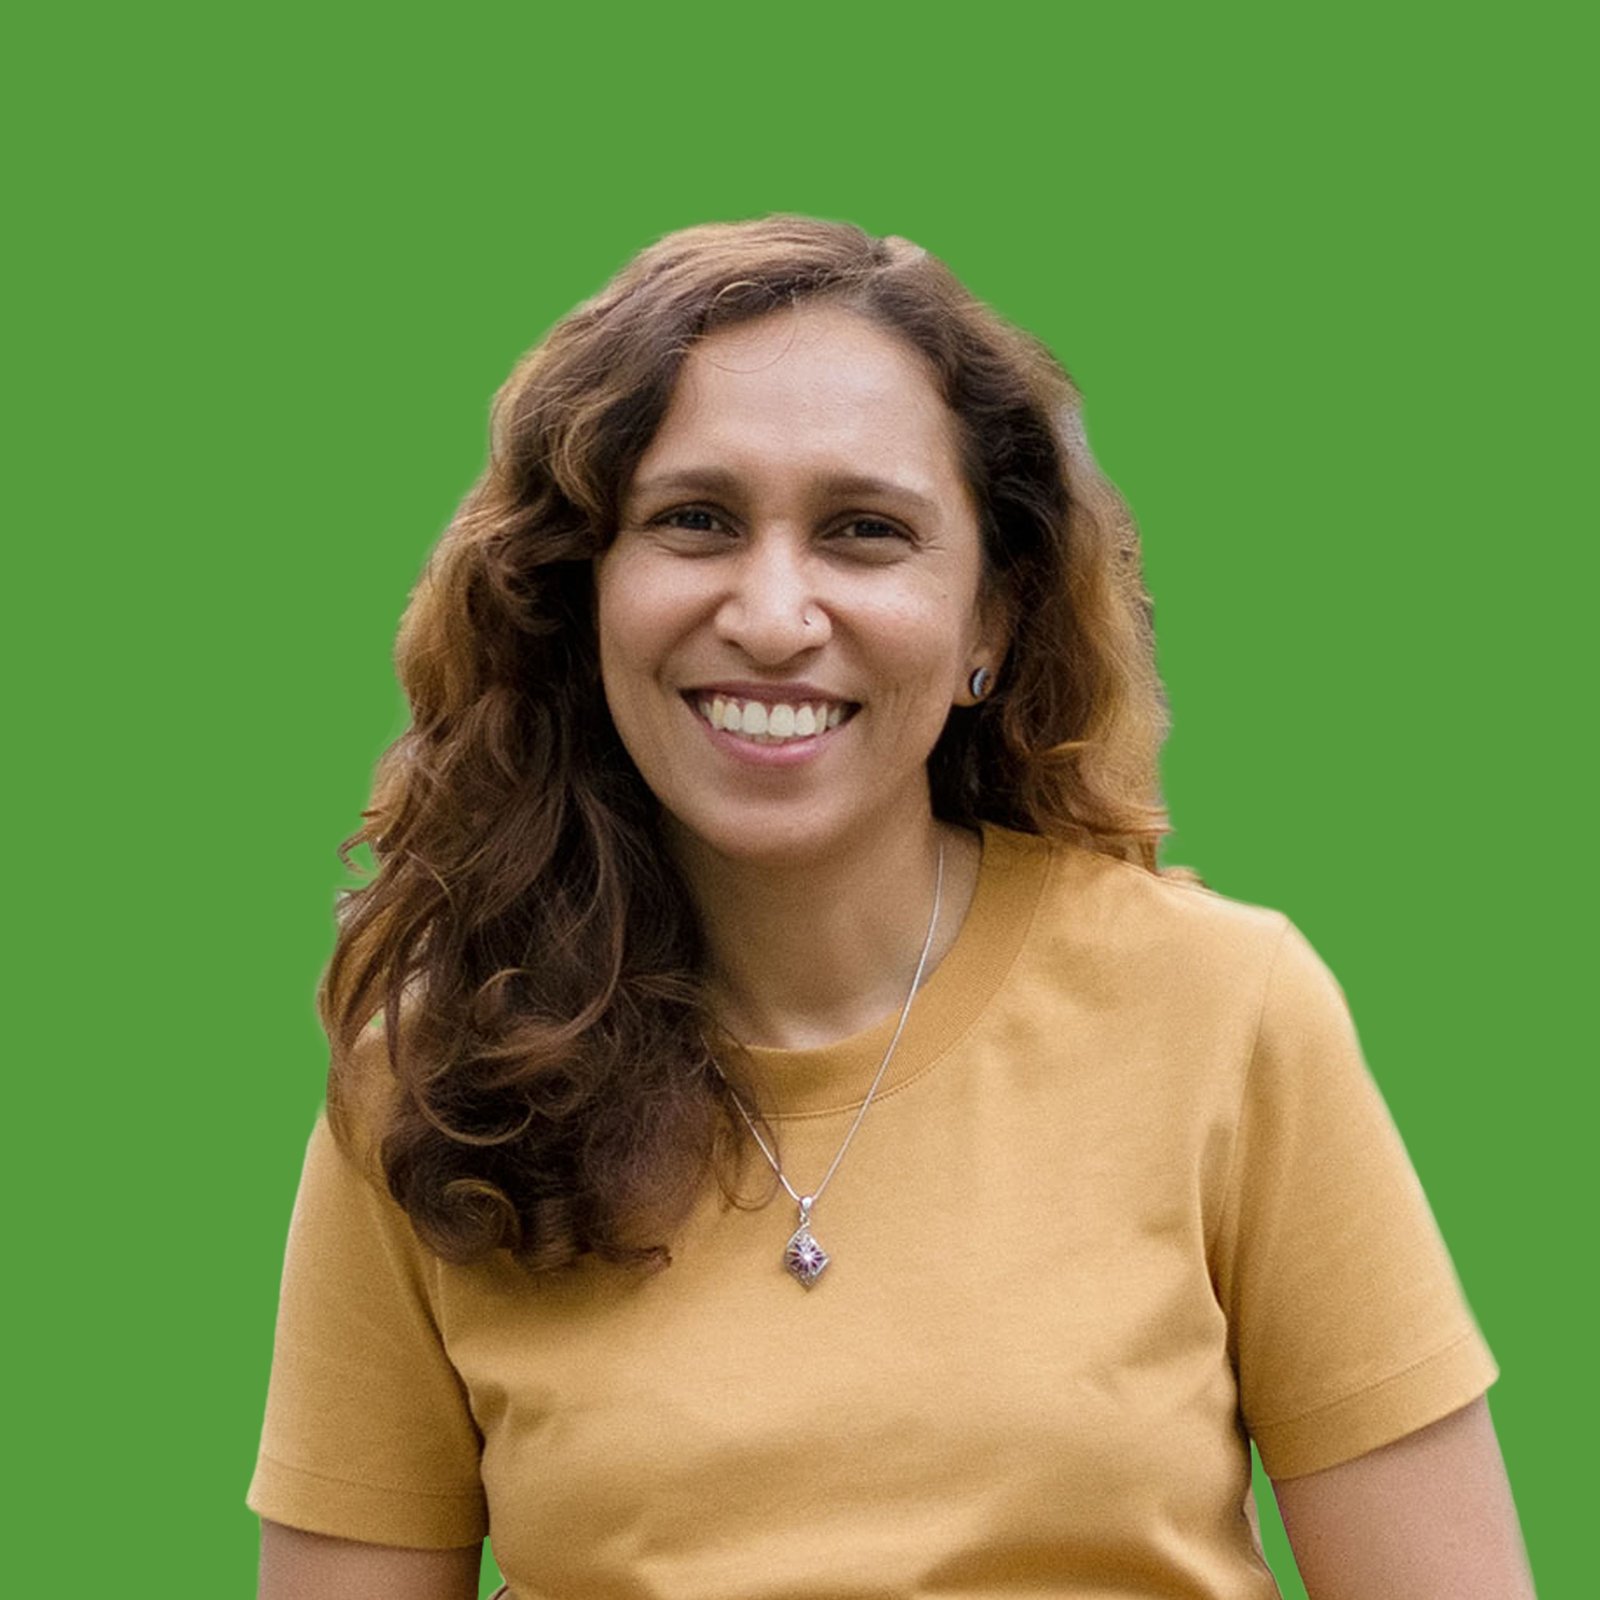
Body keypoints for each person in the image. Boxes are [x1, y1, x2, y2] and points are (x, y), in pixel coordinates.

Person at [249, 216, 1534, 1599]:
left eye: (864, 532)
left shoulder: (1226, 1011)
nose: (773, 616)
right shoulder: (436, 1086)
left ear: (989, 623)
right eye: (695, 521)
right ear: (583, 595)